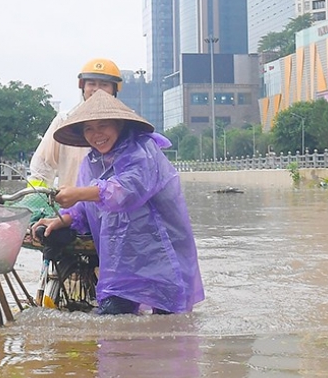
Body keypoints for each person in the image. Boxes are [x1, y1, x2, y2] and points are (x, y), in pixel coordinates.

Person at [32, 91, 204, 315]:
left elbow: (125, 191)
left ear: (119, 125)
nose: (96, 135)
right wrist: (62, 218)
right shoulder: (91, 162)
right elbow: (86, 208)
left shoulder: (143, 151)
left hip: (161, 256)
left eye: (103, 125)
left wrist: (78, 193)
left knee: (168, 329)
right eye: (89, 129)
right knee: (113, 330)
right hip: (120, 264)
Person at [26, 57, 123, 189]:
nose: (97, 89)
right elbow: (42, 165)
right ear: (83, 87)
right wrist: (35, 197)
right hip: (70, 207)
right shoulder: (65, 120)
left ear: (114, 90)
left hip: (114, 205)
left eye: (104, 84)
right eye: (91, 83)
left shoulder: (126, 124)